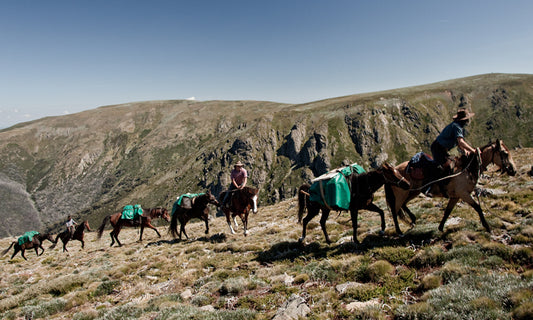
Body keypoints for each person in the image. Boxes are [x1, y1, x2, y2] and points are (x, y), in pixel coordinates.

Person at [428, 108, 476, 195]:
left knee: (451, 163)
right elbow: (461, 142)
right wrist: (473, 150)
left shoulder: (456, 126)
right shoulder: (457, 127)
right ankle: (431, 188)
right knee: (442, 166)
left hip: (442, 148)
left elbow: (458, 143)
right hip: (438, 148)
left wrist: (465, 150)